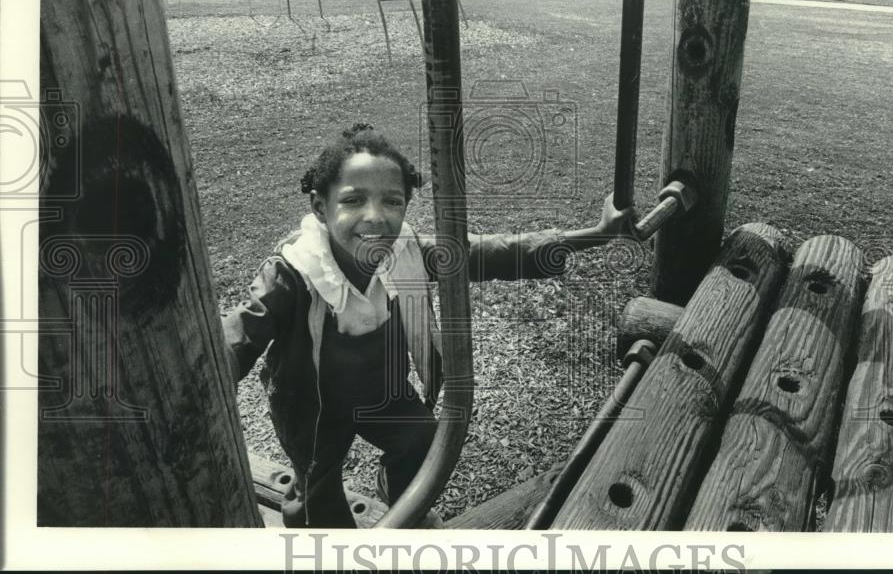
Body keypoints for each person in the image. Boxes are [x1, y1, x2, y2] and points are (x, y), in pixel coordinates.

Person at [221, 123, 634, 528]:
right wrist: (208, 374)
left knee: (421, 441)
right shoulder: (295, 273)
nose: (375, 217)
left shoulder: (406, 252)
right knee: (318, 492)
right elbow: (239, 333)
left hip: (380, 389)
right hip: (313, 407)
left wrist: (594, 235)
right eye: (353, 201)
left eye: (392, 201)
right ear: (319, 208)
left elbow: (490, 252)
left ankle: (403, 504)